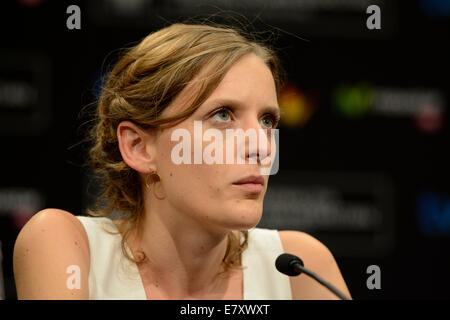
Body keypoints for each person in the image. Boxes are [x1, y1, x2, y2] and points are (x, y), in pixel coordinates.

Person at [13, 23, 352, 300]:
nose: (261, 145)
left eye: (267, 121)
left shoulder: (300, 266)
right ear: (139, 147)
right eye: (223, 115)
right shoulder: (66, 244)